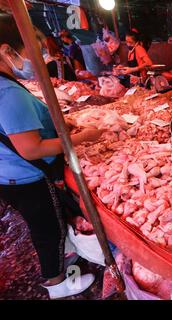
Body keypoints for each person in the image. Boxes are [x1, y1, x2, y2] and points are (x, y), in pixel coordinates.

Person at [0, 16, 104, 299]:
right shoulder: (8, 92)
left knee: (46, 225)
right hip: (27, 175)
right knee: (48, 228)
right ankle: (57, 283)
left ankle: (60, 261)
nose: (38, 56)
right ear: (7, 51)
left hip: (8, 174)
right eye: (32, 49)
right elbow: (31, 149)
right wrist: (82, 138)